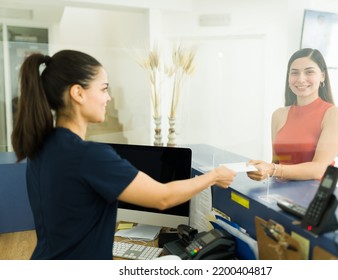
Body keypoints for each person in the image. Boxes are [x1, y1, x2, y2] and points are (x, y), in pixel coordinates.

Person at [11, 50, 236, 260]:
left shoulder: (41, 148)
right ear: (78, 93)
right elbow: (162, 196)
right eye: (103, 88)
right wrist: (214, 176)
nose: (108, 98)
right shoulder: (89, 156)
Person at [247, 48, 338, 181]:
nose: (301, 79)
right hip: (279, 193)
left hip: (313, 196)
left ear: (322, 76)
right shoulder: (278, 115)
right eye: (294, 73)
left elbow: (319, 169)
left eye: (309, 72)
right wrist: (262, 171)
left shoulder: (334, 115)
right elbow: (276, 163)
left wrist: (272, 169)